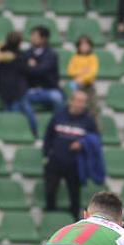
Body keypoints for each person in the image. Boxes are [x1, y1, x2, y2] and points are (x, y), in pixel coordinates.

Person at [43, 90, 98, 219]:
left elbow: (95, 140)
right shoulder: (58, 116)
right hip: (55, 161)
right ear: (71, 101)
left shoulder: (88, 121)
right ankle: (51, 219)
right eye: (78, 101)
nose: (81, 104)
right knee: (50, 191)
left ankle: (73, 223)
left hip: (75, 165)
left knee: (74, 197)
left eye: (84, 102)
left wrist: (83, 143)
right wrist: (46, 155)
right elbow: (48, 137)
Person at [18, 26, 62, 139]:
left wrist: (33, 66)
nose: (32, 38)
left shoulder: (51, 54)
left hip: (48, 89)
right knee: (22, 99)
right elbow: (22, 69)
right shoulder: (27, 53)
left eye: (35, 36)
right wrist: (33, 68)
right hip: (32, 90)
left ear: (43, 39)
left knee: (58, 98)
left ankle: (58, 128)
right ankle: (34, 129)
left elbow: (41, 70)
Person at [0, 31, 27, 113]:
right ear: (20, 43)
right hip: (16, 91)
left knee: (8, 111)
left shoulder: (1, 55)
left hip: (5, 90)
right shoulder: (21, 56)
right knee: (14, 113)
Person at [66, 36, 99, 119]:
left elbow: (93, 72)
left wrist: (82, 78)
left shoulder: (93, 58)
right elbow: (70, 71)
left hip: (89, 87)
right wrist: (82, 71)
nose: (84, 47)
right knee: (75, 108)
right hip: (77, 87)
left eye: (86, 45)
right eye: (82, 45)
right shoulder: (75, 58)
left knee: (93, 110)